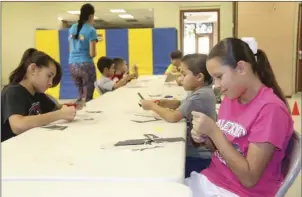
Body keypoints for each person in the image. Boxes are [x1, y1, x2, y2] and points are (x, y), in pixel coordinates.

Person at [186, 38, 294, 197]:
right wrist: (206, 137)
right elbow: (222, 151)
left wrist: (214, 132)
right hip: (213, 181)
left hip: (241, 192)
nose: (216, 85)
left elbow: (249, 178)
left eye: (219, 76)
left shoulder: (271, 109)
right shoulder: (231, 98)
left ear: (241, 68)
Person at [140, 54, 216, 177]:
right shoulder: (201, 91)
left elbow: (173, 117)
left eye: (184, 75)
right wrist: (162, 102)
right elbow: (181, 103)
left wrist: (152, 106)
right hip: (197, 153)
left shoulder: (200, 96)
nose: (180, 79)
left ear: (199, 77)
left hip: (198, 157)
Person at [1, 48, 77, 142]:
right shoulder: (12, 92)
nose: (51, 83)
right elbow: (18, 125)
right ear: (33, 69)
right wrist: (60, 114)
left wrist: (72, 106)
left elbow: (55, 108)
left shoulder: (38, 94)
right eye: (49, 76)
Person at [69, 3, 97, 102]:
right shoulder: (91, 30)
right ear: (91, 16)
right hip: (86, 64)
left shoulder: (72, 28)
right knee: (88, 97)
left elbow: (70, 48)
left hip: (72, 65)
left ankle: (77, 112)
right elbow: (92, 53)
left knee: (80, 94)